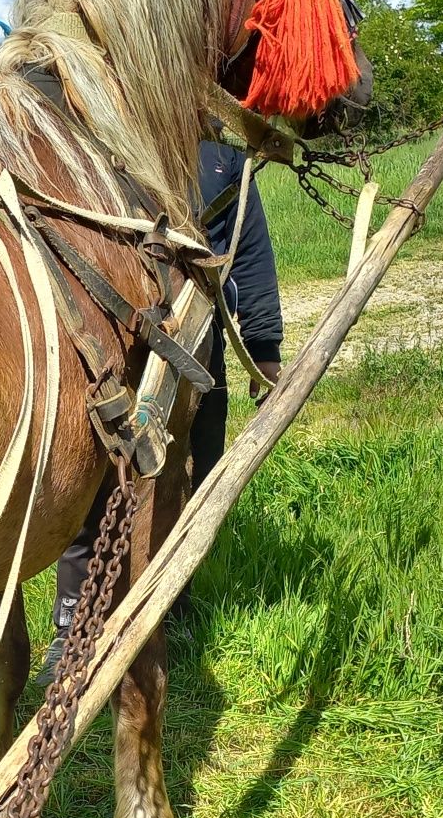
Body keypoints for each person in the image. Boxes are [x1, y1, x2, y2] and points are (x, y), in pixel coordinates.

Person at [45, 139, 282, 665]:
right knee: (99, 478)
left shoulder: (222, 157)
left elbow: (250, 251)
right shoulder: (109, 135)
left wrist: (263, 347)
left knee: (196, 470)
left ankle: (171, 600)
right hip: (120, 341)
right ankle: (74, 623)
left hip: (202, 339)